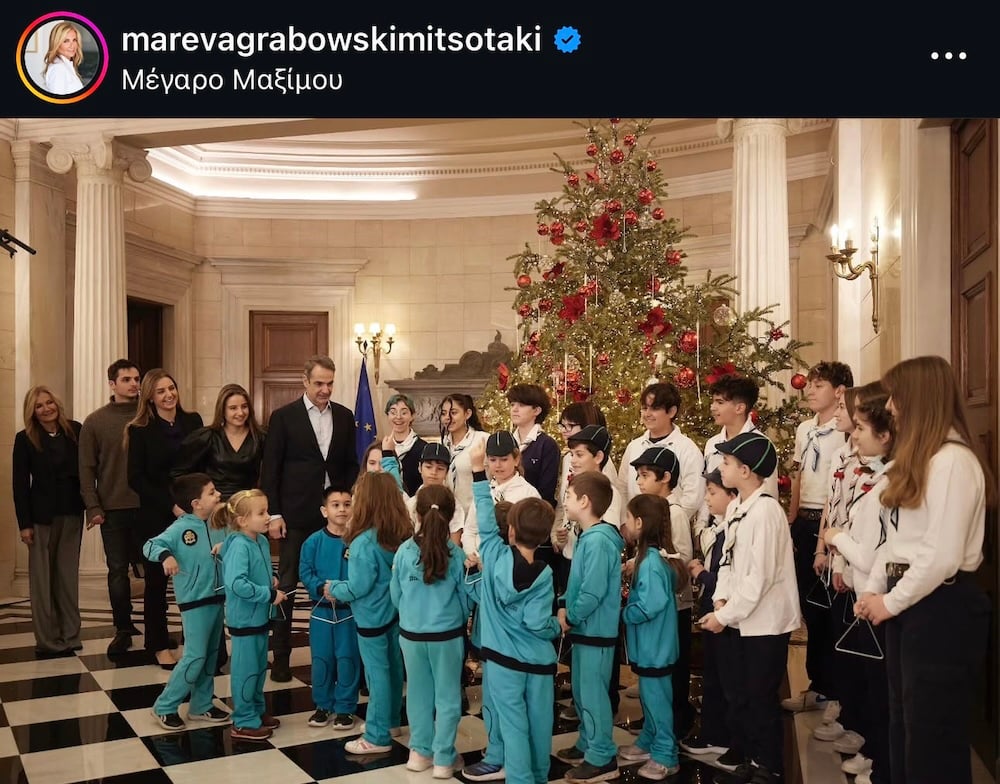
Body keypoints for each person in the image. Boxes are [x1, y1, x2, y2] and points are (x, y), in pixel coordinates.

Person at [856, 356, 994, 784]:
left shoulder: (953, 461)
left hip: (941, 606)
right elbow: (899, 540)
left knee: (933, 734)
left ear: (920, 399)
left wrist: (891, 602)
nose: (890, 407)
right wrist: (876, 590)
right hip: (913, 600)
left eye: (896, 396)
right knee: (905, 722)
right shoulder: (924, 458)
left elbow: (941, 555)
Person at [700, 432, 801, 784]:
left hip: (766, 623)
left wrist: (724, 615)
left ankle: (770, 767)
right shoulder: (739, 508)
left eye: (726, 462)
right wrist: (720, 599)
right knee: (742, 693)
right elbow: (726, 562)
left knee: (760, 696)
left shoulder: (766, 512)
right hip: (740, 617)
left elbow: (760, 577)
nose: (721, 468)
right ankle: (754, 758)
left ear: (745, 471)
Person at [465, 437, 561, 784]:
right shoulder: (545, 574)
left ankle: (520, 777)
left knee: (513, 723)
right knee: (539, 723)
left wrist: (479, 471)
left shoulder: (492, 554)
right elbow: (538, 622)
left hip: (504, 662)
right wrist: (556, 626)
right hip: (539, 662)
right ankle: (538, 774)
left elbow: (484, 519)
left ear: (509, 530)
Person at [260, 355, 359, 682]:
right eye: (319, 383)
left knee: (338, 583)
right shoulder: (283, 417)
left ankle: (340, 658)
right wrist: (274, 513)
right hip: (295, 517)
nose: (325, 389)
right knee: (286, 588)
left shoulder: (344, 416)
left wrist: (347, 506)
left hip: (336, 518)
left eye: (330, 383)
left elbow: (350, 465)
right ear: (305, 381)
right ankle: (281, 657)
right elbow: (270, 470)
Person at [822, 394, 894, 784]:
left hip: (875, 596)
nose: (855, 436)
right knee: (869, 683)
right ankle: (876, 754)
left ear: (885, 436)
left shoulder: (886, 484)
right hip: (863, 591)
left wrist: (836, 539)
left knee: (879, 690)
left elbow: (871, 553)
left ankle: (881, 762)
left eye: (862, 428)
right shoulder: (873, 475)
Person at [784, 360, 853, 714]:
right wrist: (792, 516)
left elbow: (836, 491)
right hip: (806, 521)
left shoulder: (844, 431)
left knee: (830, 610)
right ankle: (817, 684)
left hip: (830, 526)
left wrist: (822, 542)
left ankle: (834, 688)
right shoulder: (804, 429)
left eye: (818, 385)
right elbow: (798, 475)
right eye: (809, 384)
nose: (809, 390)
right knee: (809, 607)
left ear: (840, 391)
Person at [326, 472, 412, 755]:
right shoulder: (400, 534)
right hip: (395, 614)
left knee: (377, 676)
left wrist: (334, 588)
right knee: (394, 670)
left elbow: (358, 587)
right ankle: (390, 721)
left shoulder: (363, 542)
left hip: (371, 617)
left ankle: (376, 735)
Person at [126, 369, 204, 669]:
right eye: (161, 391)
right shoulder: (140, 430)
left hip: (193, 514)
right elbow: (135, 478)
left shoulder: (193, 422)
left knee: (195, 581)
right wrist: (171, 506)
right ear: (150, 397)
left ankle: (193, 643)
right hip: (156, 516)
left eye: (171, 388)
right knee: (157, 585)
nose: (169, 394)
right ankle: (158, 645)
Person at [391, 484, 470, 778]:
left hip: (411, 635)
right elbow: (465, 600)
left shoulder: (403, 552)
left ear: (417, 513)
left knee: (417, 694)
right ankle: (443, 758)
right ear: (451, 516)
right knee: (447, 697)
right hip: (446, 636)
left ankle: (419, 752)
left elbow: (395, 595)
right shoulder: (456, 555)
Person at [145, 473, 231, 730]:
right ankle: (165, 706)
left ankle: (201, 705)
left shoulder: (219, 524)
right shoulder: (179, 528)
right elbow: (150, 545)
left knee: (210, 656)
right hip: (194, 602)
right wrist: (166, 556)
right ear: (196, 503)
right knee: (194, 656)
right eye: (212, 492)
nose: (218, 495)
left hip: (218, 598)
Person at [555, 471, 625, 783]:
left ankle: (602, 755)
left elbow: (593, 592)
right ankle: (588, 741)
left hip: (596, 630)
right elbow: (577, 582)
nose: (565, 501)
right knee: (582, 691)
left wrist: (571, 616)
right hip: (585, 630)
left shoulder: (598, 540)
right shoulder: (587, 536)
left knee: (594, 694)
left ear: (584, 501)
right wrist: (564, 603)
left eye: (569, 497)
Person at [617, 493, 688, 780]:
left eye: (627, 518)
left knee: (658, 702)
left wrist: (625, 613)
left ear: (639, 523)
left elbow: (651, 604)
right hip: (650, 646)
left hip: (655, 646)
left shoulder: (651, 564)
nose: (624, 523)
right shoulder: (650, 558)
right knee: (649, 697)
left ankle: (666, 754)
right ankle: (649, 739)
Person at [628, 446, 696, 741]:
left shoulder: (674, 512)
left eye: (645, 475)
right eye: (638, 476)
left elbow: (680, 556)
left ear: (665, 477)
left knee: (672, 671)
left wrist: (644, 563)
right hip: (659, 600)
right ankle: (653, 724)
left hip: (672, 604)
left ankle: (673, 726)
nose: (639, 481)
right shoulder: (652, 508)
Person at [12, 385, 84, 657]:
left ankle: (71, 634)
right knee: (43, 579)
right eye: (39, 406)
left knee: (67, 576)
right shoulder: (25, 439)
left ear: (57, 403)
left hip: (72, 513)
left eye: (49, 402)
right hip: (41, 518)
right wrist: (24, 524)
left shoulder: (75, 430)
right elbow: (20, 485)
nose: (46, 409)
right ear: (32, 412)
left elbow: (87, 469)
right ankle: (48, 639)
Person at [79, 359, 142, 656]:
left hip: (148, 507)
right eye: (126, 379)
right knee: (117, 571)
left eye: (136, 378)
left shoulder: (149, 414)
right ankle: (123, 628)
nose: (133, 384)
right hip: (113, 508)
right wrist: (93, 507)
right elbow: (86, 469)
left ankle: (156, 630)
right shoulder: (95, 421)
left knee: (155, 570)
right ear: (112, 384)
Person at [218, 489, 287, 742]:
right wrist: (268, 594)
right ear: (242, 521)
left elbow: (258, 570)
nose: (268, 517)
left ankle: (256, 710)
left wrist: (272, 577)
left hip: (258, 617)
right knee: (246, 671)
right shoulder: (239, 545)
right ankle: (243, 720)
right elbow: (237, 584)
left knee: (258, 668)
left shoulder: (261, 541)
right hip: (245, 619)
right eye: (262, 513)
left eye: (267, 511)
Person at [682, 469, 741, 766]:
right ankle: (713, 733)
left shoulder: (735, 529)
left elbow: (731, 579)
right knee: (714, 676)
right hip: (712, 607)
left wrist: (701, 574)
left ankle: (729, 738)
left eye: (713, 492)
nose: (707, 498)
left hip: (726, 614)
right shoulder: (720, 527)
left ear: (733, 495)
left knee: (728, 679)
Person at [299, 484, 361, 731]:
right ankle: (323, 705)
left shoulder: (358, 541)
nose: (342, 510)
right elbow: (305, 570)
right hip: (321, 612)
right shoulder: (313, 542)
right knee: (321, 659)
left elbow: (363, 573)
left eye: (347, 504)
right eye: (335, 505)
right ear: (325, 511)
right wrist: (319, 587)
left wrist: (346, 589)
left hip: (349, 613)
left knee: (348, 659)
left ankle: (345, 707)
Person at [697, 374, 778, 539]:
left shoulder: (760, 445)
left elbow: (768, 493)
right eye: (713, 402)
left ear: (740, 408)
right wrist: (701, 526)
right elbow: (709, 487)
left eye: (720, 402)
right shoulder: (712, 444)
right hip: (716, 530)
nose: (713, 407)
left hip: (748, 528)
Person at [619, 382, 705, 523]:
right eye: (644, 408)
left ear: (671, 411)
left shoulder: (688, 450)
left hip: (670, 527)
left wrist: (664, 524)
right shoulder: (634, 447)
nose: (647, 414)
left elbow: (693, 498)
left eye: (654, 408)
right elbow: (622, 488)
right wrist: (627, 523)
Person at [171, 384, 266, 502]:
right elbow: (179, 472)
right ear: (222, 410)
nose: (240, 412)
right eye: (233, 408)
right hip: (215, 504)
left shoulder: (261, 437)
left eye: (244, 406)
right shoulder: (206, 436)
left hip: (248, 503)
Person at [384, 440, 466, 549]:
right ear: (419, 467)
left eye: (440, 468)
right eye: (428, 467)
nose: (433, 472)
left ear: (447, 472)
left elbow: (455, 544)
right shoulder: (410, 504)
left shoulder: (454, 505)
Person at [507, 384, 561, 508]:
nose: (514, 409)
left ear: (536, 410)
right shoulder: (507, 441)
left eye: (521, 405)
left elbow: (546, 492)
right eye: (512, 404)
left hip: (533, 512)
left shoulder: (547, 445)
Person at [440, 393, 490, 518]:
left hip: (476, 514)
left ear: (467, 414)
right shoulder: (443, 444)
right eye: (444, 413)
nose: (447, 418)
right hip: (449, 516)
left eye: (453, 413)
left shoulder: (482, 440)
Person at [384, 394, 427, 495]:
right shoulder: (383, 447)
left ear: (412, 416)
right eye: (393, 412)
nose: (398, 417)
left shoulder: (424, 448)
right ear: (388, 416)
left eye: (404, 413)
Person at [42, 21, 84, 95]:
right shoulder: (58, 69)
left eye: (74, 40)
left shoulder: (65, 66)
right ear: (56, 43)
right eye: (66, 41)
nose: (72, 45)